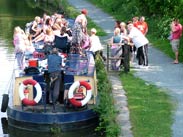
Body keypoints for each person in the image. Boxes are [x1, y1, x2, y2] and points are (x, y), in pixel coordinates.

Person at [47, 48, 62, 112]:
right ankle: (55, 102)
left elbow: (49, 64)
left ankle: (50, 100)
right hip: (57, 74)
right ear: (57, 52)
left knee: (51, 87)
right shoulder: (59, 57)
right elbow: (60, 65)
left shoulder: (49, 57)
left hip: (51, 74)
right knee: (56, 88)